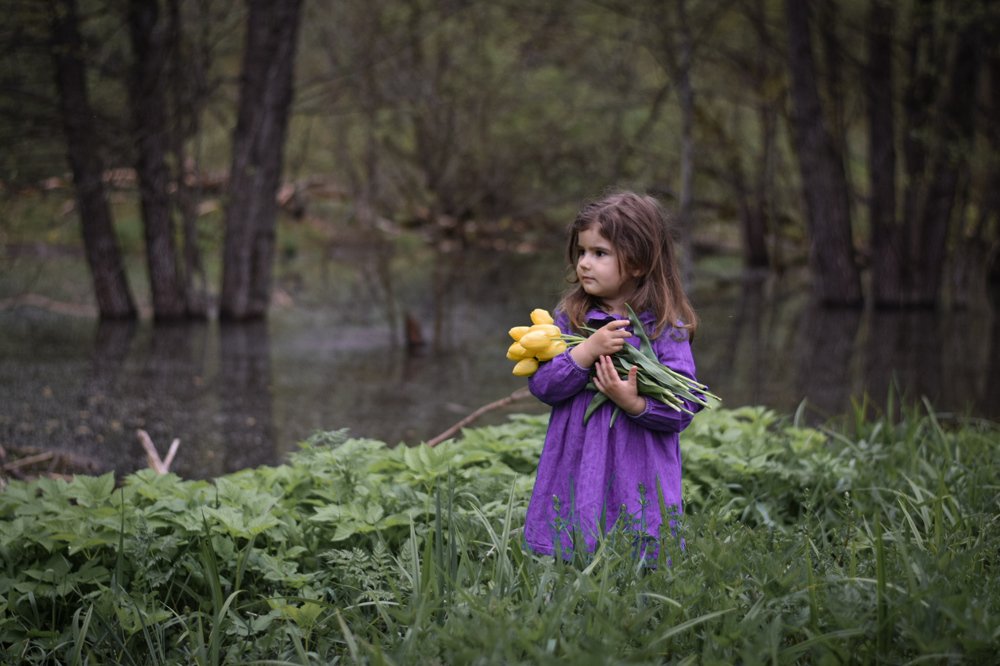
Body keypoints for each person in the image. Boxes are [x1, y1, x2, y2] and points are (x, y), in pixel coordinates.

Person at [524, 190, 703, 558]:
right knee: (573, 533)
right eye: (582, 253)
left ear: (637, 263)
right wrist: (585, 352)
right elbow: (543, 386)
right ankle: (572, 572)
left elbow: (685, 405)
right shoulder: (572, 319)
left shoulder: (663, 328)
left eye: (600, 253)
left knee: (634, 541)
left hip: (636, 459)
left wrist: (634, 403)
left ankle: (637, 582)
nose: (584, 264)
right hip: (579, 454)